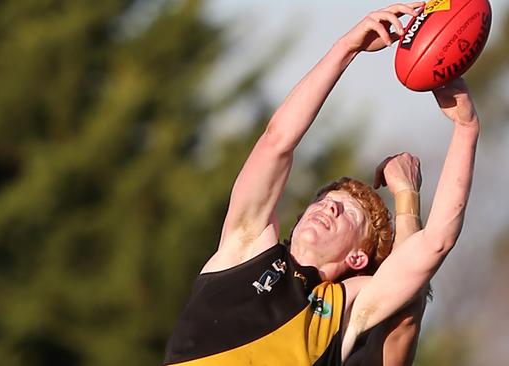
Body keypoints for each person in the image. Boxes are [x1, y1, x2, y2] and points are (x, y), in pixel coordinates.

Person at [164, 1, 479, 364]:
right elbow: (277, 140)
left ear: (357, 257)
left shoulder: (349, 308)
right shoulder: (246, 248)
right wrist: (346, 48)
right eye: (326, 199)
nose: (329, 205)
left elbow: (433, 246)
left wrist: (466, 130)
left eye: (348, 212)